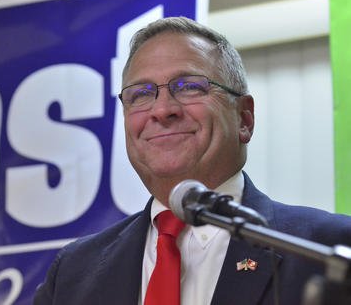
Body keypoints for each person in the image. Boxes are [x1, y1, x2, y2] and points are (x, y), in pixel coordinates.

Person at [33, 16, 351, 305]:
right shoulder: (73, 273)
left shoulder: (328, 248)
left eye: (189, 87)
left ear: (244, 118)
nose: (161, 110)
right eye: (141, 94)